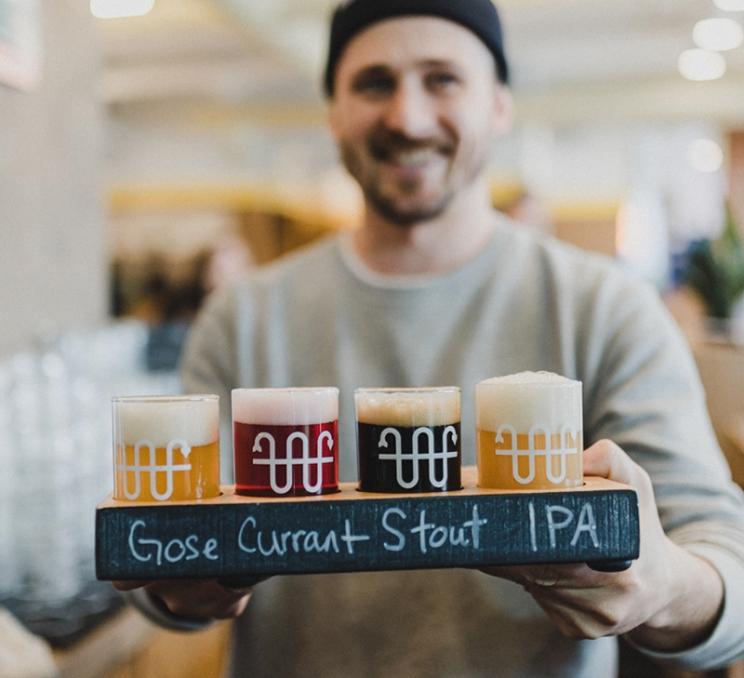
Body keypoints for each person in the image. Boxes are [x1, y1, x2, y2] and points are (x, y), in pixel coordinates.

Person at [116, 1, 744, 675]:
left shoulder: (603, 305)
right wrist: (174, 585)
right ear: (332, 110)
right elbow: (162, 565)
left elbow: (722, 560)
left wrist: (667, 585)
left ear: (499, 105)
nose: (407, 117)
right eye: (374, 82)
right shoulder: (241, 316)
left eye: (442, 79)